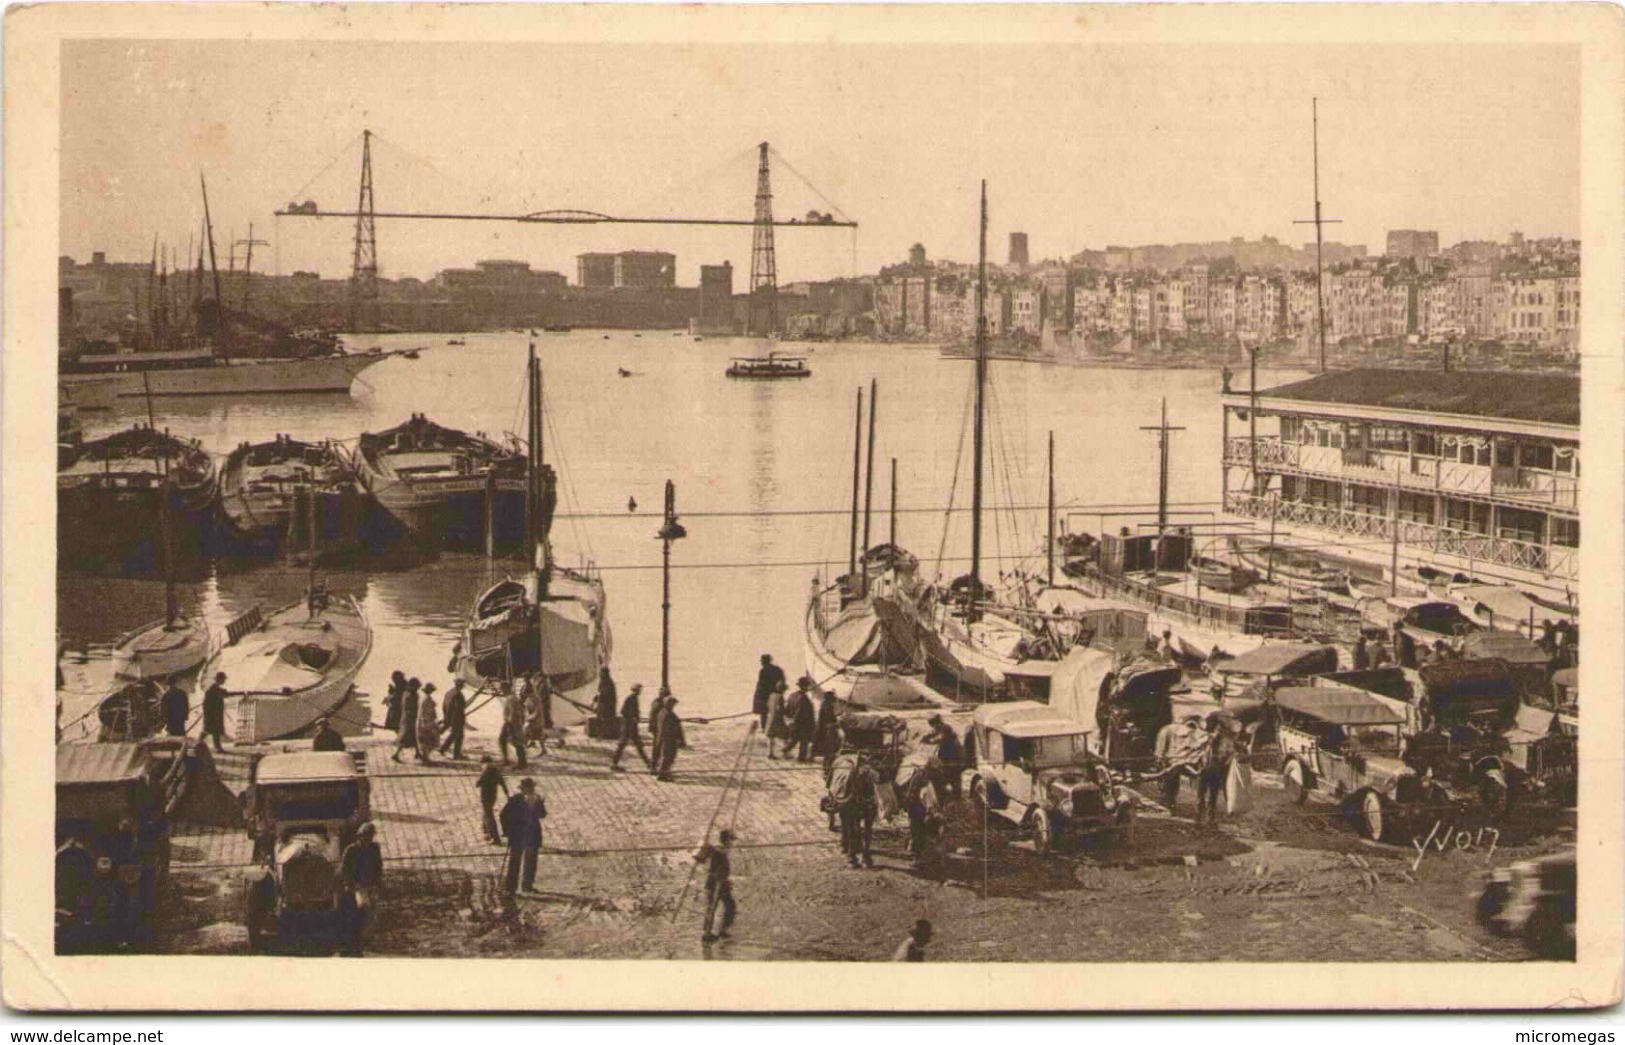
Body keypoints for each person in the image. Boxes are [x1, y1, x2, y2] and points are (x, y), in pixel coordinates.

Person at [337, 822, 382, 956]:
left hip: (369, 885)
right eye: (365, 836)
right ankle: (354, 940)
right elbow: (344, 870)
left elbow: (378, 867)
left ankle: (365, 937)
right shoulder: (351, 850)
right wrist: (350, 884)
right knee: (358, 912)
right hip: (355, 887)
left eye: (370, 837)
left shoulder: (374, 849)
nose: (368, 839)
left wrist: (376, 883)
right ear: (359, 837)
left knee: (371, 912)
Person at [500, 778, 546, 894]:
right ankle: (510, 887)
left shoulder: (537, 798)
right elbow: (503, 815)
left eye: (532, 788)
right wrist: (507, 831)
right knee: (514, 861)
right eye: (528, 788)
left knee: (531, 861)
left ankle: (527, 885)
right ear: (523, 789)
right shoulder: (515, 799)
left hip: (533, 834)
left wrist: (540, 803)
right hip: (518, 834)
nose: (531, 790)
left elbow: (542, 814)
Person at [1194, 714, 1237, 828]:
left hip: (1216, 770)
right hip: (1203, 769)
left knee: (1213, 796)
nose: (1218, 732)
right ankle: (1199, 819)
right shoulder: (1205, 738)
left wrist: (1223, 765)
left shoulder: (1227, 742)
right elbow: (1195, 750)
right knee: (1201, 795)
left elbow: (1231, 755)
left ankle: (1211, 819)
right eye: (1217, 729)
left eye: (1221, 730)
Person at [695, 829, 737, 943]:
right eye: (731, 841)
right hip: (714, 883)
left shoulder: (722, 850)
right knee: (712, 907)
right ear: (727, 841)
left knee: (730, 906)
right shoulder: (718, 850)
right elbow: (702, 858)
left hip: (722, 883)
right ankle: (707, 933)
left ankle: (722, 929)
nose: (732, 844)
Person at [837, 754, 878, 869]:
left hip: (872, 753)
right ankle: (852, 854)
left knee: (868, 828)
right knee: (853, 826)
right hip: (855, 753)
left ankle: (866, 854)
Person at [1154, 714, 1203, 811]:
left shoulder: (1195, 733)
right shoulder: (1168, 730)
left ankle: (1170, 802)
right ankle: (1167, 802)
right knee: (1168, 781)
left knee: (1173, 782)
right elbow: (1161, 747)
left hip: (1181, 759)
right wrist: (1160, 757)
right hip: (1171, 759)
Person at [611, 683, 650, 771]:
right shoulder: (631, 699)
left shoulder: (633, 698)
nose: (640, 691)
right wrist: (632, 718)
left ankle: (648, 763)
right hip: (629, 727)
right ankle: (614, 763)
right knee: (626, 745)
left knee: (636, 745)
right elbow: (624, 711)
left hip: (631, 727)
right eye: (639, 690)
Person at [476, 757, 508, 845]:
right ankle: (486, 831)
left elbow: (477, 784)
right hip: (493, 796)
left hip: (485, 797)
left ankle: (495, 837)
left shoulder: (485, 772)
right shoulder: (495, 771)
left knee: (489, 816)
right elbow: (502, 782)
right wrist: (506, 793)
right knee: (486, 814)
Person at [652, 695, 685, 780]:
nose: (674, 706)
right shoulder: (668, 714)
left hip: (664, 739)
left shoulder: (662, 713)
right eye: (673, 704)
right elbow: (673, 728)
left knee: (667, 756)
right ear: (668, 704)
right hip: (669, 739)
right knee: (668, 757)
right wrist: (679, 739)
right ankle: (663, 775)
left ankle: (665, 773)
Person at [753, 654, 787, 731]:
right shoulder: (778, 669)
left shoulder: (763, 671)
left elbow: (762, 685)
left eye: (762, 661)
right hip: (777, 694)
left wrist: (760, 699)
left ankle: (765, 728)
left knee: (764, 714)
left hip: (767, 696)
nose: (761, 663)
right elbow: (782, 682)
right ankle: (777, 729)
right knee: (777, 714)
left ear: (764, 661)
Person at [499, 685, 529, 769]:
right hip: (510, 722)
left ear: (507, 689)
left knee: (516, 742)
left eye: (503, 689)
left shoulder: (510, 699)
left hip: (511, 723)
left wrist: (510, 724)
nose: (502, 691)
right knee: (504, 740)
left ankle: (521, 762)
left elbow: (513, 712)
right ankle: (510, 760)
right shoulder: (512, 697)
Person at [392, 678, 420, 763]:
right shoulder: (410, 695)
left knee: (415, 737)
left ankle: (418, 752)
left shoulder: (407, 693)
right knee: (405, 738)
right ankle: (395, 754)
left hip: (408, 719)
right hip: (409, 720)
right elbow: (410, 709)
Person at [438, 679, 468, 759]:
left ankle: (444, 749)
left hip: (449, 716)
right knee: (459, 736)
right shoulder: (458, 694)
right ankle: (455, 754)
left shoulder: (449, 692)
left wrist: (446, 717)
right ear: (460, 686)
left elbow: (444, 705)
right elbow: (460, 707)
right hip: (457, 718)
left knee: (454, 735)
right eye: (462, 685)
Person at [202, 672, 229, 753]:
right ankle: (197, 744)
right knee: (209, 730)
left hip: (215, 714)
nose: (224, 681)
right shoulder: (213, 689)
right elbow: (207, 703)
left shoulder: (216, 688)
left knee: (214, 731)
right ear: (219, 679)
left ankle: (218, 747)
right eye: (223, 679)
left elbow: (224, 695)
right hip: (212, 714)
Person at [791, 679, 817, 762]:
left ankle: (785, 751)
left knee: (795, 739)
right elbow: (803, 713)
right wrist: (811, 724)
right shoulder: (804, 699)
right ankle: (801, 758)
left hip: (797, 722)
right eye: (807, 686)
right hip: (804, 724)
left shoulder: (794, 695)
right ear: (805, 687)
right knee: (804, 741)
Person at [415, 684, 441, 763]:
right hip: (426, 723)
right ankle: (425, 757)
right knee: (429, 740)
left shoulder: (423, 698)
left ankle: (424, 756)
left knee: (425, 741)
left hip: (423, 722)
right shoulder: (427, 699)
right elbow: (426, 712)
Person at [765, 679, 790, 760]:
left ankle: (770, 753)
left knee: (771, 736)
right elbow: (780, 708)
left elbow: (768, 706)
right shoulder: (780, 697)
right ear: (783, 690)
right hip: (777, 719)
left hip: (770, 718)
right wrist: (787, 713)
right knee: (786, 735)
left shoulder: (771, 695)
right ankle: (785, 752)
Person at [815, 689, 840, 763]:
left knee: (823, 741)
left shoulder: (824, 704)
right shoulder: (828, 706)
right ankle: (828, 757)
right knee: (828, 742)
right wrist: (836, 719)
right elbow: (829, 717)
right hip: (827, 726)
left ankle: (825, 755)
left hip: (823, 725)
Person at [594, 667, 619, 740]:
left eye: (602, 672)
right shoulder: (603, 681)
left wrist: (599, 696)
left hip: (607, 706)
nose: (600, 674)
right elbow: (600, 692)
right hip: (603, 705)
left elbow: (605, 693)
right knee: (601, 720)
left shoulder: (608, 682)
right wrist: (596, 697)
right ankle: (601, 735)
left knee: (605, 721)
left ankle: (604, 735)